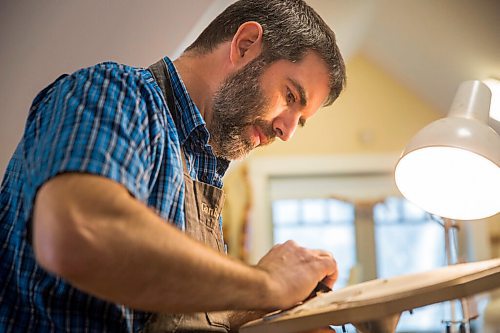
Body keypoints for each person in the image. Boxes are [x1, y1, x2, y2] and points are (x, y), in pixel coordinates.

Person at [0, 0, 346, 331]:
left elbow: (163, 310)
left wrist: (265, 312)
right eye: (290, 97)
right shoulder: (116, 93)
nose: (285, 131)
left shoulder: (202, 165)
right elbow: (79, 234)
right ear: (245, 45)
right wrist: (268, 283)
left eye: (299, 121)